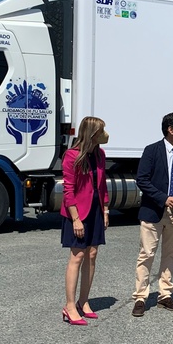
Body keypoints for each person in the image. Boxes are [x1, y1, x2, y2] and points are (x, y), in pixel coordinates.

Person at [132, 113, 173, 317]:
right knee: (146, 254)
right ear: (171, 130)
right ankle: (141, 297)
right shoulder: (152, 151)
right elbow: (142, 180)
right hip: (153, 211)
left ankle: (165, 295)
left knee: (170, 254)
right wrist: (164, 198)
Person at [60, 116, 110, 326]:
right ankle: (70, 306)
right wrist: (76, 219)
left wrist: (105, 209)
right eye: (101, 131)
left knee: (92, 254)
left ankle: (84, 301)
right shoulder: (72, 156)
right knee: (77, 256)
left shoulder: (100, 154)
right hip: (77, 213)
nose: (105, 134)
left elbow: (102, 185)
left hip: (96, 211)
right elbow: (68, 190)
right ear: (91, 134)